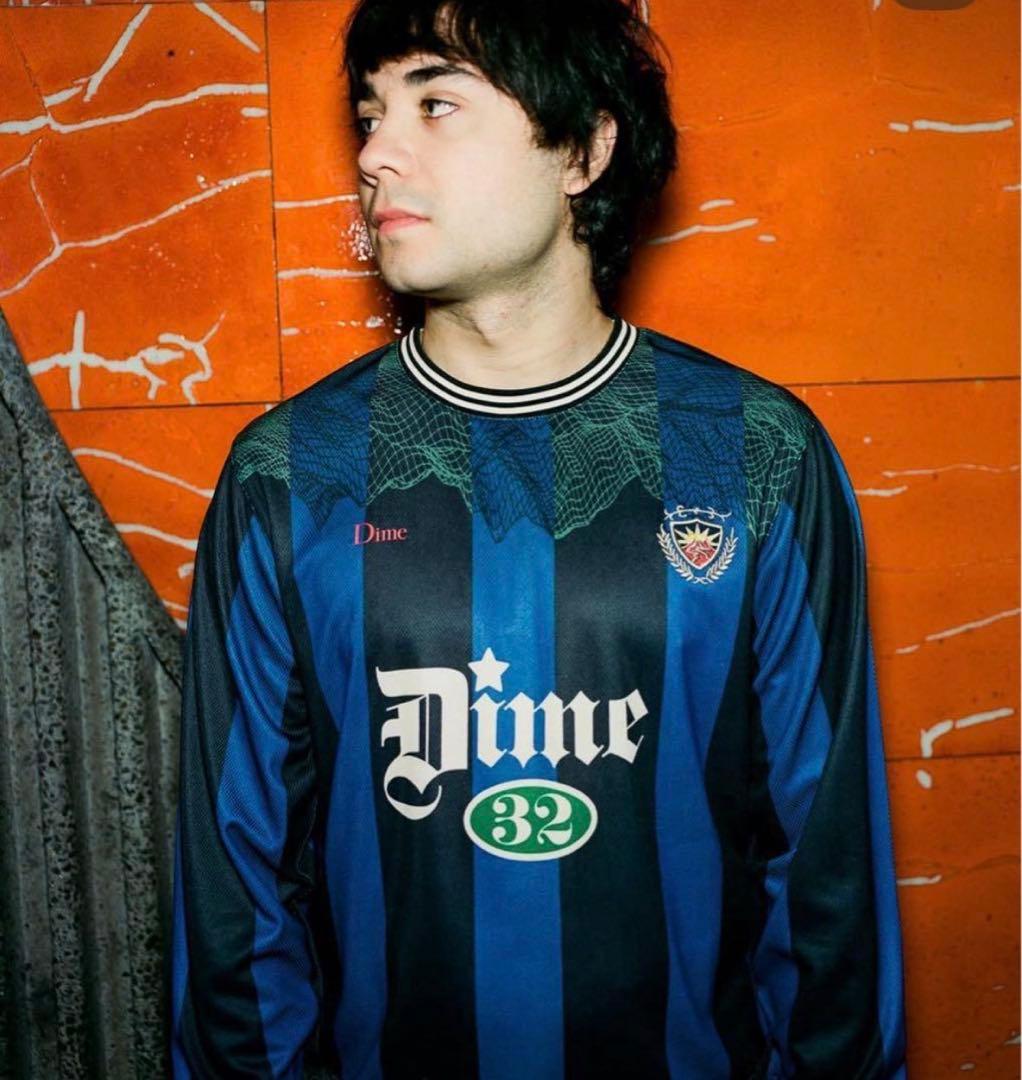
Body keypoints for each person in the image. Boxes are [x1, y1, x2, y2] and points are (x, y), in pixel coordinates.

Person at [169, 1, 909, 1076]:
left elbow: (825, 873)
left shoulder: (757, 455)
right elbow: (238, 899)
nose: (375, 154)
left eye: (435, 104)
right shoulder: (289, 474)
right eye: (369, 116)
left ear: (582, 149)